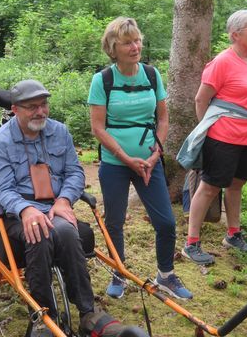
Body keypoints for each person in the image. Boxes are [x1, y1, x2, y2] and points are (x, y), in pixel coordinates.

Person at [0, 79, 127, 337]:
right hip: (15, 213)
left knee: (66, 229)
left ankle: (87, 313)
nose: (41, 112)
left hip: (53, 206)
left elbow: (74, 172)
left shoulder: (59, 132)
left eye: (44, 105)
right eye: (32, 107)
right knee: (38, 231)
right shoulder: (0, 141)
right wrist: (26, 210)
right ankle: (42, 315)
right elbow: (0, 189)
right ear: (15, 109)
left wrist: (64, 200)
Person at [88, 17, 193, 301]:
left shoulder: (151, 74)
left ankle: (167, 275)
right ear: (113, 47)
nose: (135, 47)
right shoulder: (103, 80)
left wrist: (155, 154)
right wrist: (125, 157)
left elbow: (163, 117)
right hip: (114, 164)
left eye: (137, 41)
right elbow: (97, 127)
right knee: (115, 222)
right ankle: (118, 273)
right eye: (127, 42)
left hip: (150, 161)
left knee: (167, 223)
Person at [182, 10, 247, 266]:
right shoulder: (222, 62)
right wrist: (208, 129)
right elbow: (201, 99)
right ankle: (191, 243)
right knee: (209, 186)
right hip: (224, 136)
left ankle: (233, 234)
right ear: (235, 34)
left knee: (236, 185)